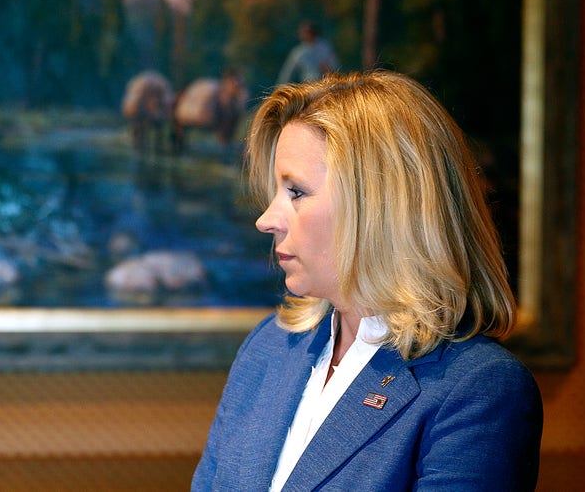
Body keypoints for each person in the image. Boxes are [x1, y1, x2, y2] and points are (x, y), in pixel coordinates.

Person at [193, 70, 543, 491]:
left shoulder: (479, 390)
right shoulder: (268, 348)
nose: (266, 220)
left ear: (381, 205)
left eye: (296, 192)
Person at [276, 21, 340, 86]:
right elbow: (287, 73)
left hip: (325, 84)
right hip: (308, 87)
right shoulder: (298, 52)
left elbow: (335, 65)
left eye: (305, 32)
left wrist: (328, 68)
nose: (301, 34)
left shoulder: (324, 47)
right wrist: (280, 88)